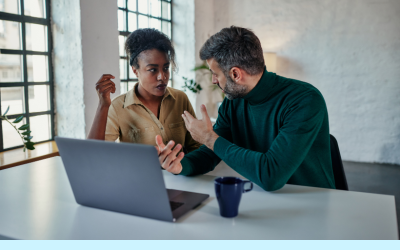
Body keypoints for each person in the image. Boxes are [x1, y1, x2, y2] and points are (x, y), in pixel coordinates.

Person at [157, 26, 336, 191]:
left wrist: (208, 138)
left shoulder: (305, 100)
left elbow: (271, 175)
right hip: (263, 199)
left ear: (235, 74)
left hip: (313, 201)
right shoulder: (233, 101)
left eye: (215, 74)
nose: (213, 80)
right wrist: (180, 165)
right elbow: (211, 154)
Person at [88, 28, 201, 154]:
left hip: (180, 173)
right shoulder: (118, 107)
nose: (162, 77)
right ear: (135, 71)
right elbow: (93, 153)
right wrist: (103, 105)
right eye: (153, 70)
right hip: (139, 174)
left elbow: (195, 147)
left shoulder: (180, 99)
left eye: (166, 68)